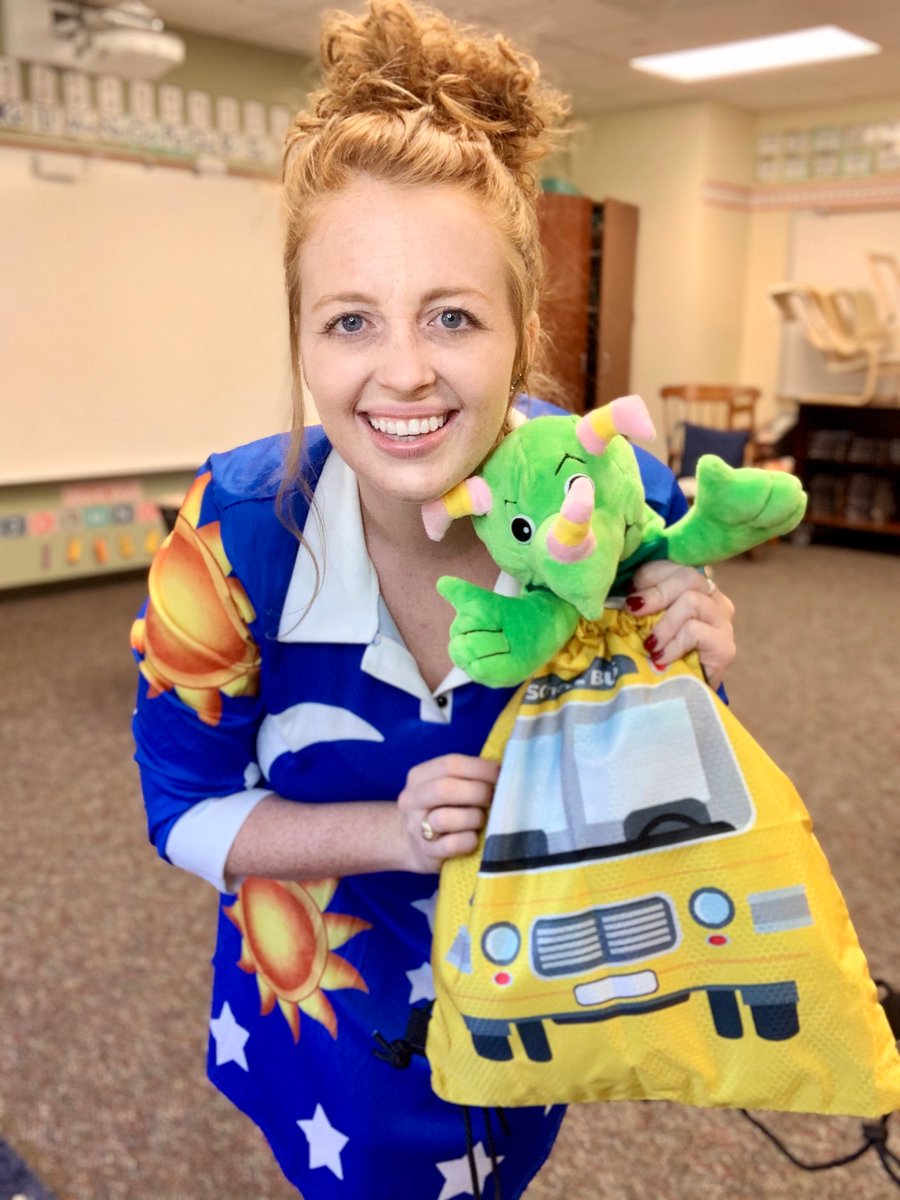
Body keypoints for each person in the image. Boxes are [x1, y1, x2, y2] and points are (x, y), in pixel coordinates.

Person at [130, 2, 737, 1196]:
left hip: (539, 996)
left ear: (523, 331)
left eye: (452, 316)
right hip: (327, 1011)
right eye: (351, 319)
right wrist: (390, 834)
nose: (401, 371)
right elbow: (185, 816)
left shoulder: (606, 493)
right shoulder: (235, 536)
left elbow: (664, 756)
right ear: (302, 338)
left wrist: (695, 651)